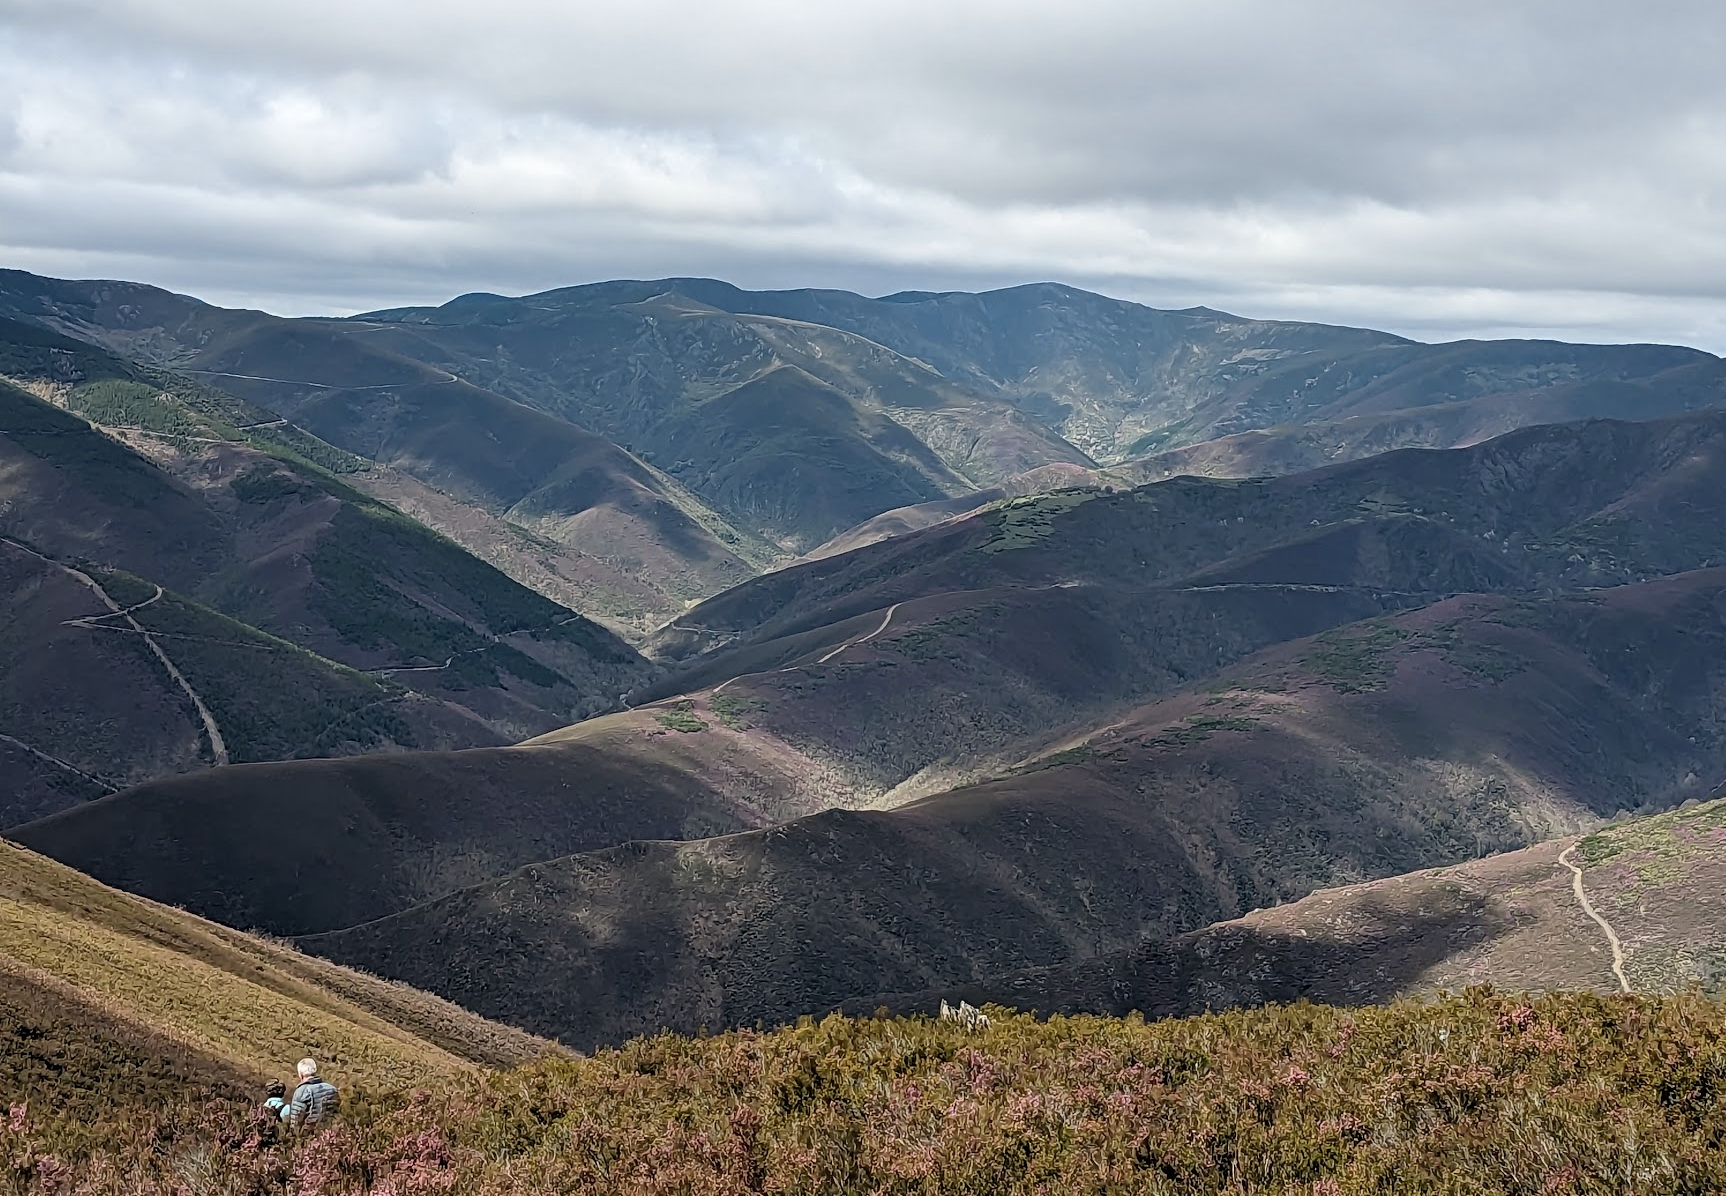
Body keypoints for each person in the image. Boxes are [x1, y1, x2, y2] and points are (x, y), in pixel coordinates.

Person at [281, 1058, 339, 1126]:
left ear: (301, 1074)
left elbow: (296, 1120)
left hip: (311, 1130)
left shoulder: (302, 1092)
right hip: (331, 1129)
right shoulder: (332, 1089)